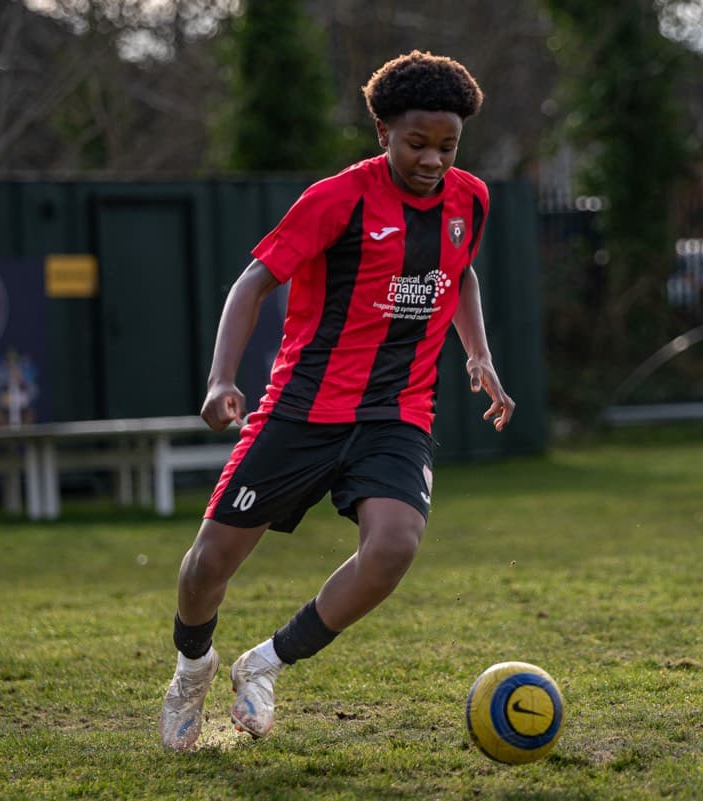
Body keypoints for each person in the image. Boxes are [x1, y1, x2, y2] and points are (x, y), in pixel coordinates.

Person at [160, 49, 515, 752]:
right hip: (302, 408)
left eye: (448, 146)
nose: (433, 159)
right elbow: (252, 283)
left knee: (394, 546)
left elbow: (460, 273)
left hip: (397, 412)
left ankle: (265, 664)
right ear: (383, 131)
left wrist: (478, 352)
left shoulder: (470, 199)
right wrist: (221, 379)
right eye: (417, 143)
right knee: (207, 565)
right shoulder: (337, 199)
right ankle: (192, 669)